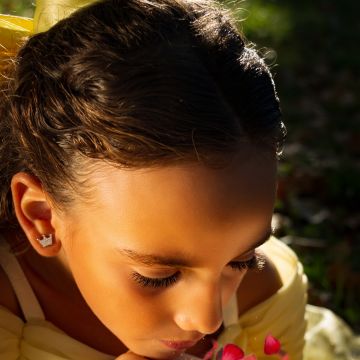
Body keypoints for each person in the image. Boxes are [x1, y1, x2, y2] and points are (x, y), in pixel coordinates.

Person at [0, 0, 308, 359]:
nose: (207, 320)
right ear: (41, 216)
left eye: (241, 260)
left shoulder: (263, 299)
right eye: (157, 276)